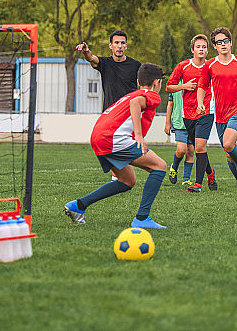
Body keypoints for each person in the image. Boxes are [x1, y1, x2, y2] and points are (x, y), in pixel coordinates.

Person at [64, 63, 168, 229]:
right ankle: (142, 218)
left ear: (137, 80)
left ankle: (78, 206)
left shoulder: (132, 93)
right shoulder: (151, 95)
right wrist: (139, 136)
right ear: (157, 82)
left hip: (99, 137)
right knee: (160, 166)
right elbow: (135, 104)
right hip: (113, 138)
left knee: (127, 181)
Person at [196, 27, 237, 198]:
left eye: (225, 41)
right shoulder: (209, 65)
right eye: (219, 42)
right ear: (215, 46)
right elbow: (202, 86)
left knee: (229, 143)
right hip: (221, 113)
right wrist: (201, 103)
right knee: (228, 153)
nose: (223, 44)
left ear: (231, 43)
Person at [166, 34, 217, 193]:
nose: (201, 49)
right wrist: (184, 86)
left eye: (204, 47)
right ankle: (210, 173)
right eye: (198, 47)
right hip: (187, 113)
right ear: (192, 49)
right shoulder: (183, 66)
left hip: (206, 111)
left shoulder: (212, 66)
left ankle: (198, 184)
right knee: (198, 148)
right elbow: (168, 87)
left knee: (200, 147)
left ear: (207, 50)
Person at [76, 30, 141, 111]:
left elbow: (143, 88)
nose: (120, 46)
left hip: (129, 114)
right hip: (109, 114)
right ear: (110, 45)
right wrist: (86, 52)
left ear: (126, 46)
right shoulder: (104, 63)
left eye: (122, 43)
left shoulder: (136, 65)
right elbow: (91, 58)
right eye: (116, 42)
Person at [163, 91, 194, 186]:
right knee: (181, 150)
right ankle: (174, 168)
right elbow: (170, 104)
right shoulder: (175, 84)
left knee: (190, 151)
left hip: (192, 122)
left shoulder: (195, 81)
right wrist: (167, 122)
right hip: (179, 123)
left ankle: (186, 179)